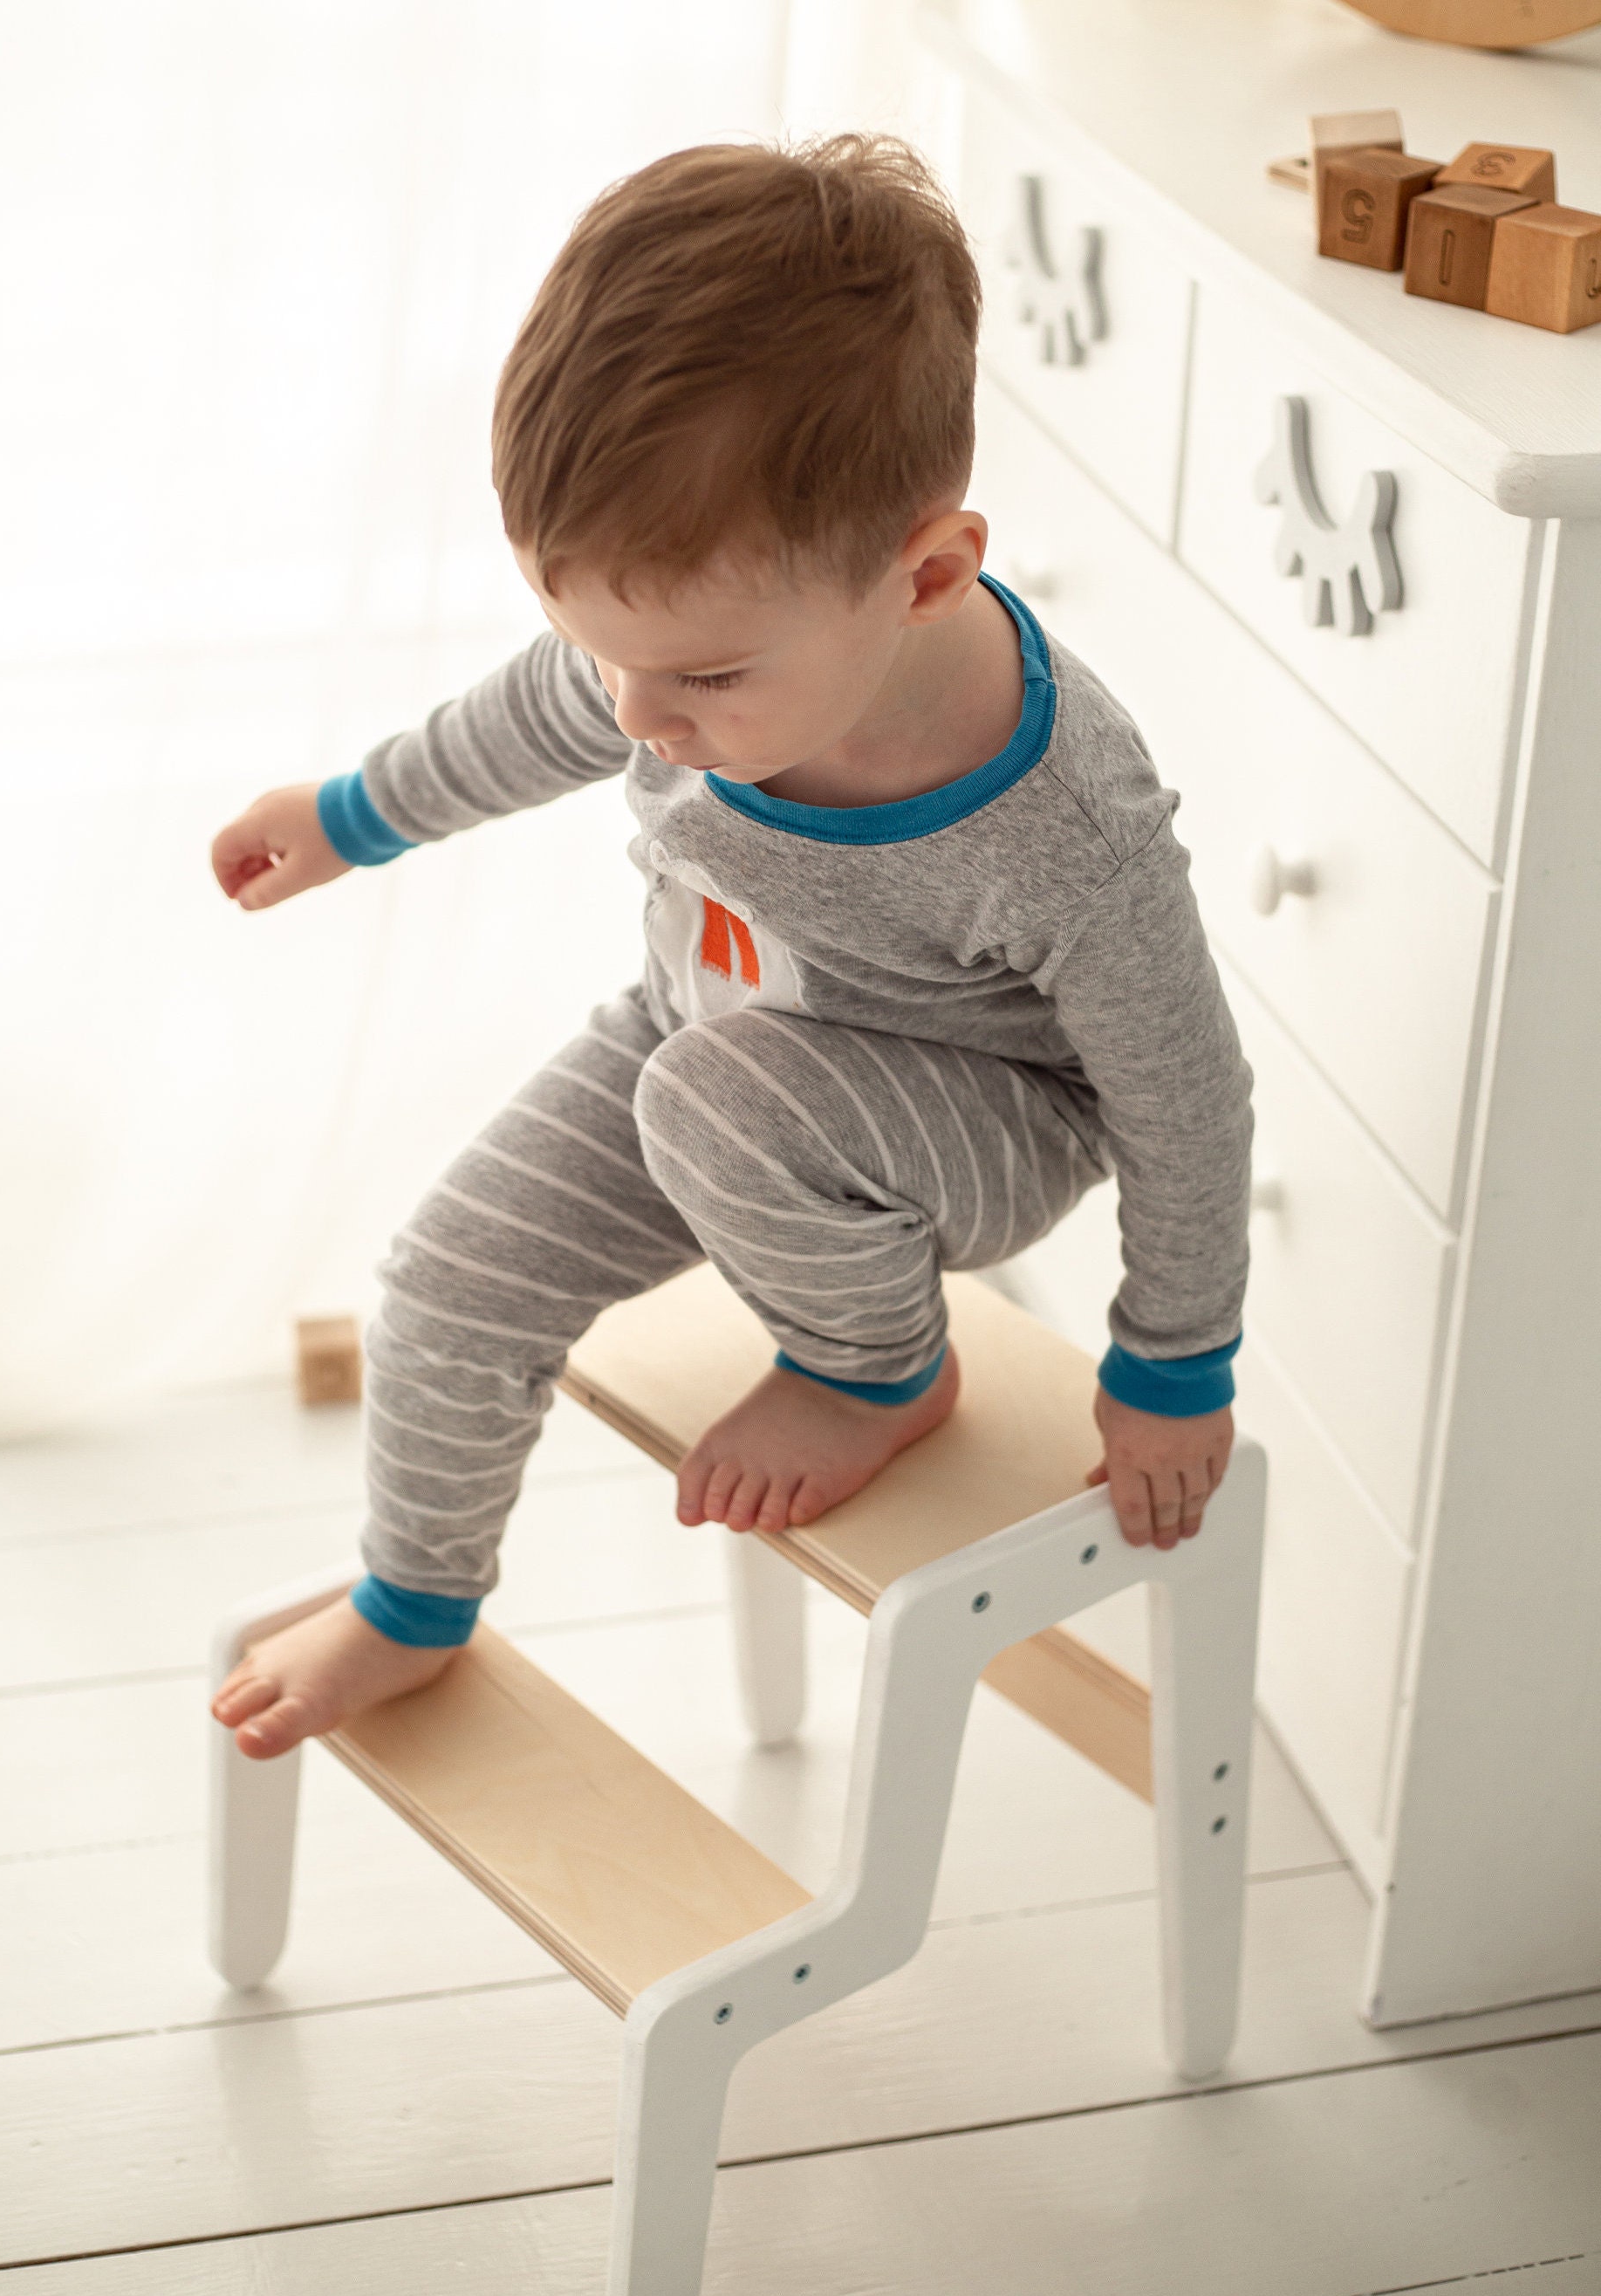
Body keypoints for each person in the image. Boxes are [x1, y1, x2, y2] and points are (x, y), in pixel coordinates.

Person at [209, 135, 1252, 1762]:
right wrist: (353, 811)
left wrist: (1174, 1359)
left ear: (925, 575)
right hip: (716, 1030)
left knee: (717, 1091)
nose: (640, 719)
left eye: (691, 679)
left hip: (973, 1123)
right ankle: (414, 1604)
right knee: (445, 1275)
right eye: (598, 649)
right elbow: (529, 719)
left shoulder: (1067, 827)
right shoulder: (690, 649)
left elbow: (1186, 1097)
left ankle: (880, 1370)